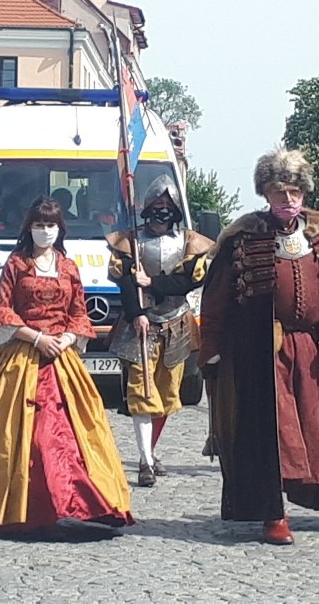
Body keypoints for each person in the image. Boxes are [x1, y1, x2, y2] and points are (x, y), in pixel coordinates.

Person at [0, 197, 133, 533]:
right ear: (30, 228)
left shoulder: (68, 267)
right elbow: (2, 309)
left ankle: (76, 500)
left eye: (51, 225)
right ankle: (16, 503)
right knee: (16, 434)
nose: (45, 231)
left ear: (60, 229)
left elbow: (78, 311)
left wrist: (68, 340)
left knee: (69, 433)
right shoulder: (17, 264)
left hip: (61, 356)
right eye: (40, 225)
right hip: (22, 354)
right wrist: (36, 338)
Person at [198, 148, 319, 545]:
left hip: (310, 351)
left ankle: (297, 497)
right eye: (279, 192)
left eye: (294, 193)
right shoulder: (242, 239)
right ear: (266, 195)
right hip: (259, 353)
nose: (288, 200)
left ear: (304, 194)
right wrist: (212, 350)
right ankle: (274, 512)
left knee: (306, 426)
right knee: (272, 430)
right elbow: (215, 299)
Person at [107, 174, 213, 488]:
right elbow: (124, 280)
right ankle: (144, 461)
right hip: (140, 325)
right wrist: (136, 312)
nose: (162, 208)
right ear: (147, 206)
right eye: (157, 203)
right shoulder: (130, 242)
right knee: (142, 392)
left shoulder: (191, 243)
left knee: (166, 394)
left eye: (167, 204)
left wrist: (153, 283)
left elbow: (190, 281)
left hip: (176, 322)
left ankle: (150, 451)